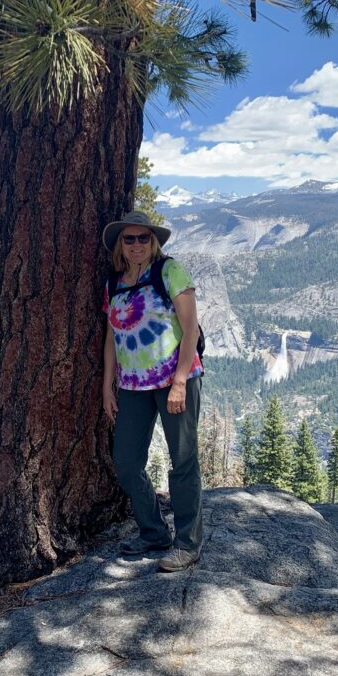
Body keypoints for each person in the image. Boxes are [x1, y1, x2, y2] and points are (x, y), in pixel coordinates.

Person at [101, 210, 204, 572]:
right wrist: (106, 385)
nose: (136, 245)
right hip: (132, 385)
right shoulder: (114, 283)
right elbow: (112, 337)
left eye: (143, 238)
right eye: (128, 239)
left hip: (176, 380)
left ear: (153, 241)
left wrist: (178, 382)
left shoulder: (170, 272)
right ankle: (153, 531)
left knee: (183, 460)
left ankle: (188, 543)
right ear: (120, 244)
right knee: (126, 462)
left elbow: (190, 329)